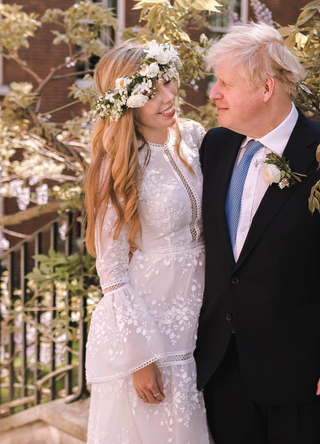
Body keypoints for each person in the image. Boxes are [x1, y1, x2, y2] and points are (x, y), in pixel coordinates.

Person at [195, 22, 320, 444]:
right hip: (221, 368)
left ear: (266, 89)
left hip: (299, 376)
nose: (214, 93)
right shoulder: (214, 147)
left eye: (225, 83)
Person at [85, 40, 210, 444]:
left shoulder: (195, 137)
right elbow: (114, 271)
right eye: (152, 92)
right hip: (152, 324)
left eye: (169, 83)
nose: (169, 97)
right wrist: (141, 357)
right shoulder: (118, 164)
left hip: (204, 312)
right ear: (127, 102)